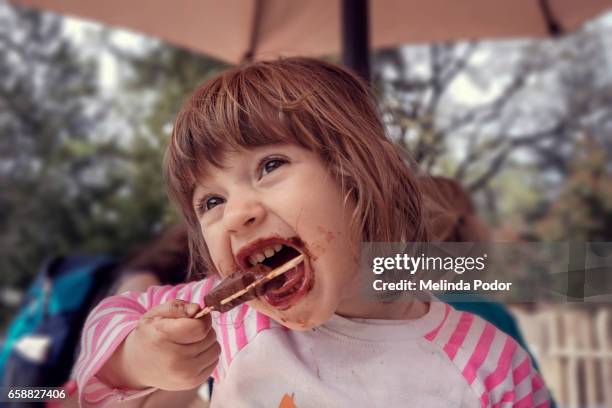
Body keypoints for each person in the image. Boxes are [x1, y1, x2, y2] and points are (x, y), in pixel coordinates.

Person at [74, 58, 551, 407]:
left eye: (270, 165)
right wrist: (137, 359)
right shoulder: (231, 323)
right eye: (211, 202)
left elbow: (573, 274)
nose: (237, 215)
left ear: (358, 177)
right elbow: (110, 327)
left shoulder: (487, 361)